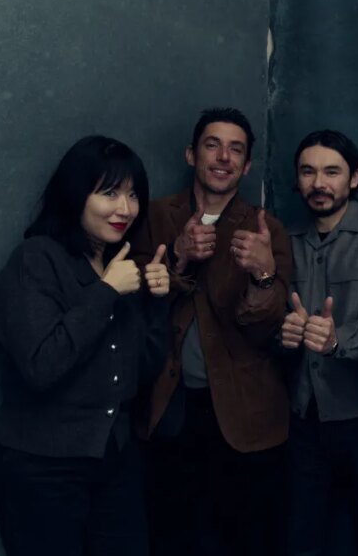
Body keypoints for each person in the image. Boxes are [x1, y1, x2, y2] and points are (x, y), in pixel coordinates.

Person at [0, 135, 170, 556]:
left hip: (114, 459)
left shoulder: (119, 265)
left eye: (132, 195)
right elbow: (41, 365)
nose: (124, 209)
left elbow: (140, 371)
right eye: (109, 193)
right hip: (43, 468)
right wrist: (106, 292)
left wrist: (158, 303)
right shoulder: (35, 259)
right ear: (75, 194)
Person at [131, 107, 292, 556]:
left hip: (244, 415)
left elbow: (268, 326)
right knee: (171, 537)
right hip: (168, 408)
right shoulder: (155, 216)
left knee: (243, 539)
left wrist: (263, 274)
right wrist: (178, 256)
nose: (223, 157)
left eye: (235, 149)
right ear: (191, 154)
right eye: (212, 145)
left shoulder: (265, 228)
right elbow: (131, 300)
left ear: (247, 165)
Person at [280, 129, 358, 556]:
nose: (319, 183)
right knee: (302, 534)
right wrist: (284, 332)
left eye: (331, 172)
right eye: (308, 172)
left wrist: (337, 341)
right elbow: (273, 318)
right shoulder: (285, 237)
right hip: (302, 413)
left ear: (353, 178)